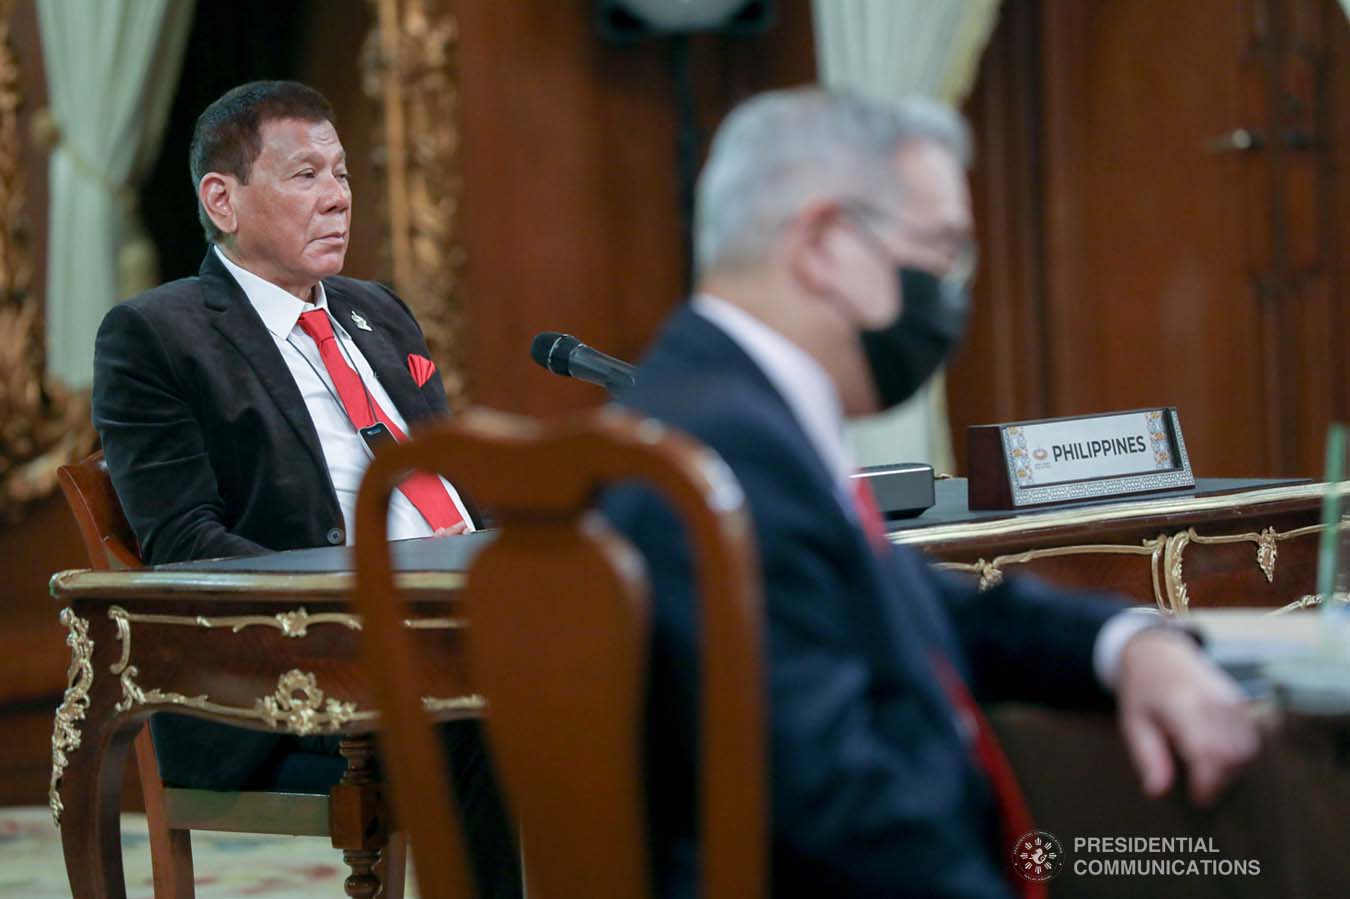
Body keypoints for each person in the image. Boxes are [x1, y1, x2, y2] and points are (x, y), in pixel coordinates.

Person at [604, 88, 1260, 898]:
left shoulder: (718, 409)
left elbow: (922, 616)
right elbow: (841, 812)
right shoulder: (726, 453)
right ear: (822, 243)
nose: (952, 290)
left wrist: (1128, 644)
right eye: (941, 247)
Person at [91, 81, 517, 896]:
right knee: (480, 705)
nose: (337, 197)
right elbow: (185, 543)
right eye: (305, 175)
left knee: (652, 653)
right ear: (222, 200)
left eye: (342, 173)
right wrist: (357, 608)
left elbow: (457, 488)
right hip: (294, 668)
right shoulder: (156, 336)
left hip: (457, 617)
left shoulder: (378, 312)